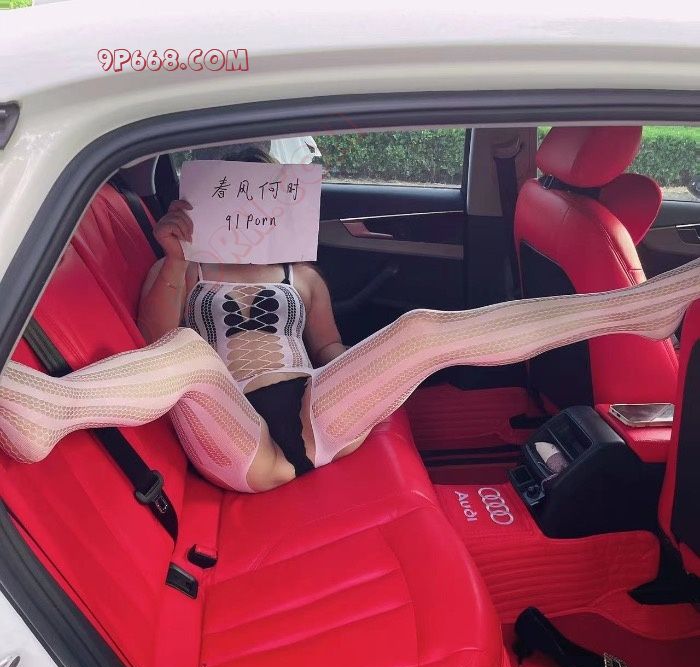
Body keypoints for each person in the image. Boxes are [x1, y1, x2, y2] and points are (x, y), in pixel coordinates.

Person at [1, 145, 699, 493]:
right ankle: (50, 411)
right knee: (186, 349)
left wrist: (374, 377)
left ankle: (634, 310)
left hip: (315, 411)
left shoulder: (302, 275)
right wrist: (178, 257)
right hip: (237, 431)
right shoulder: (183, 271)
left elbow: (331, 347)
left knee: (422, 328)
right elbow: (157, 343)